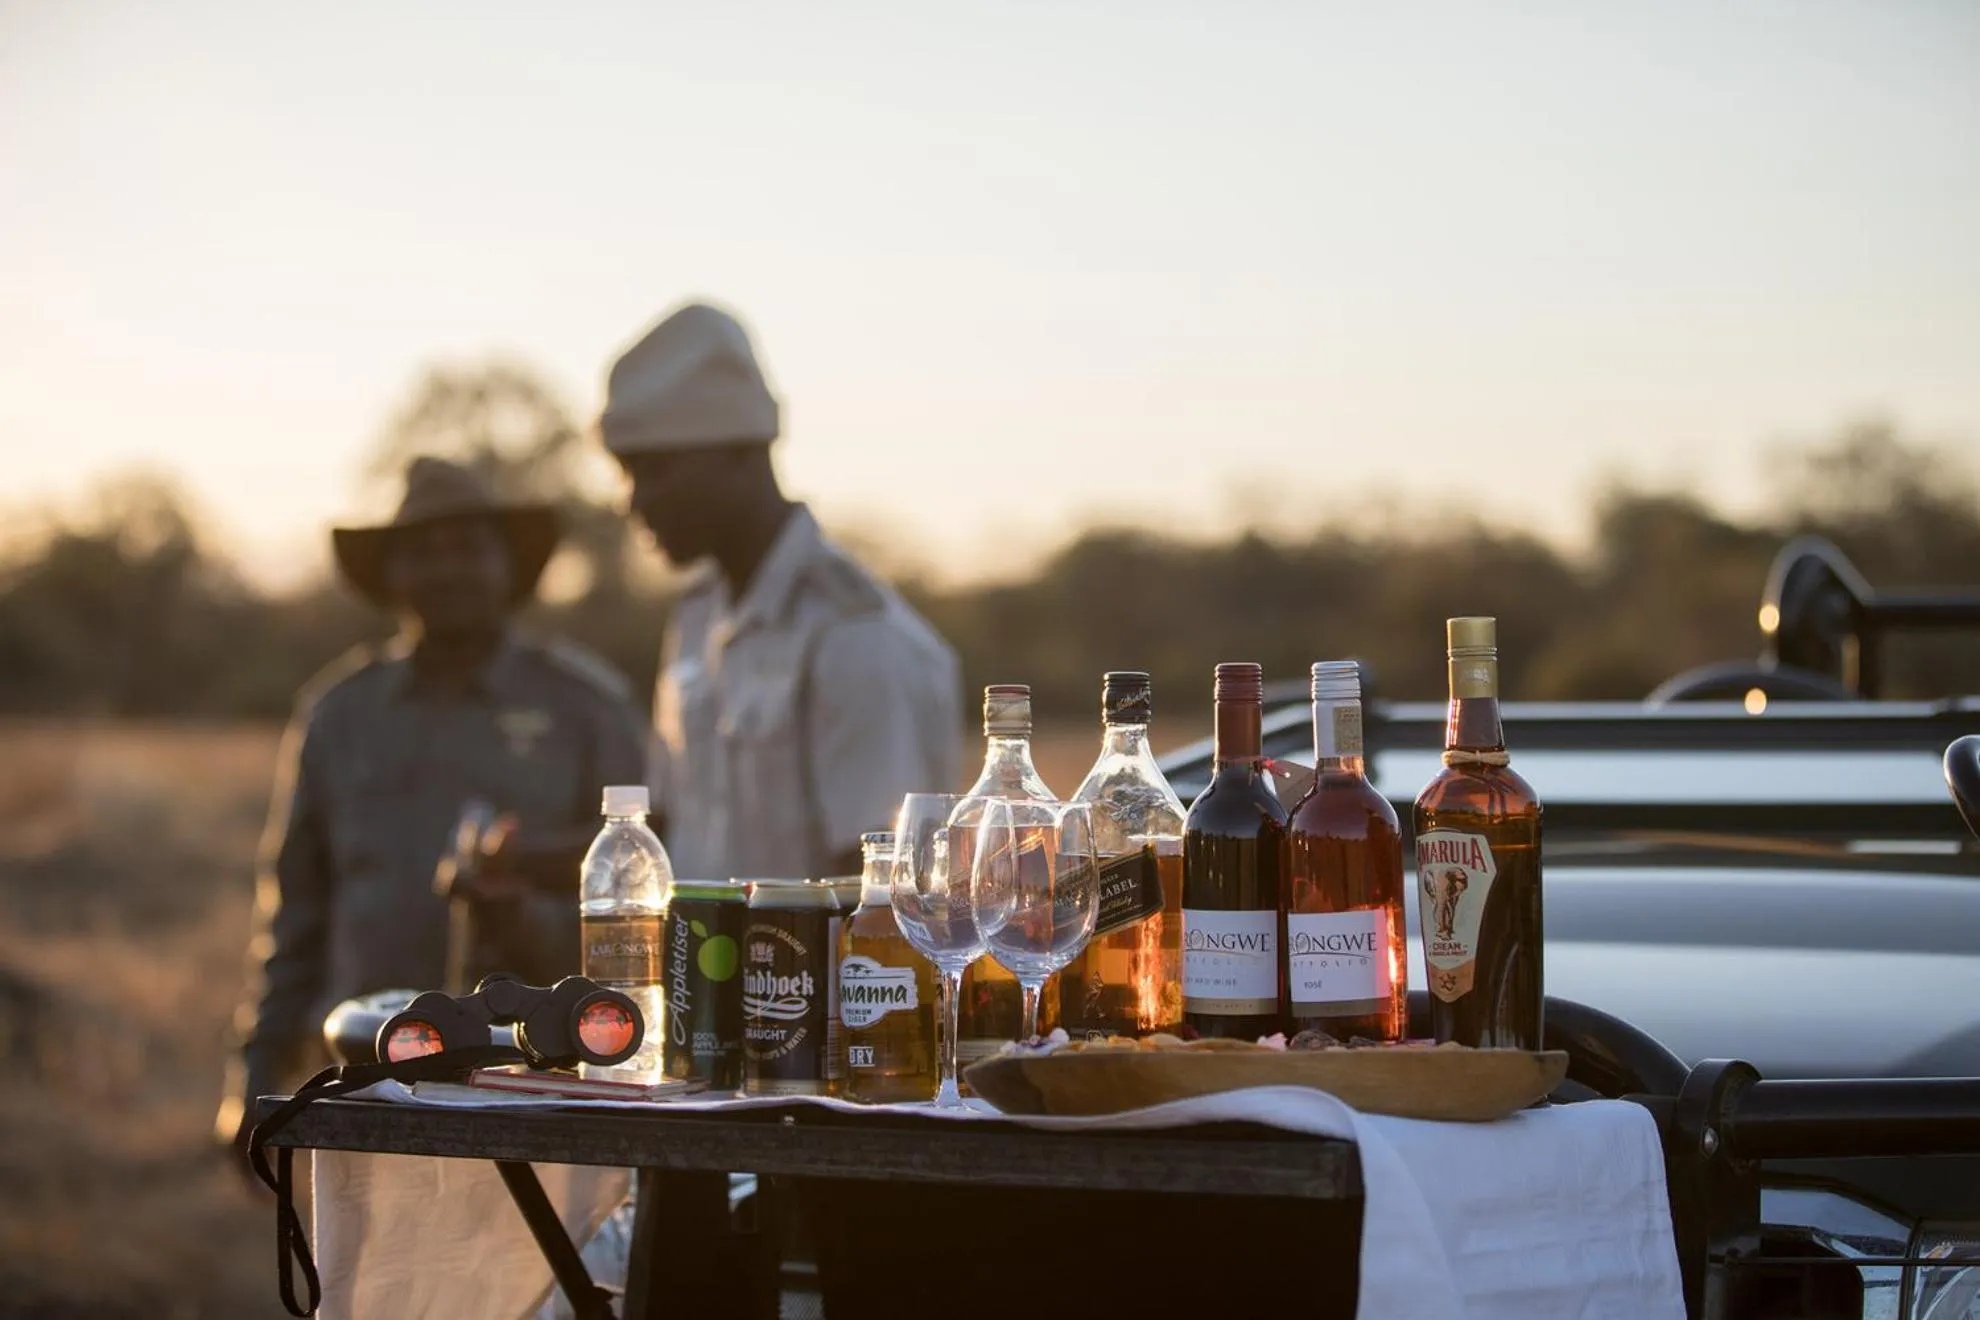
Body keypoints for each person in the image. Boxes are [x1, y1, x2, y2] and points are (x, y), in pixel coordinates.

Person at [217, 456, 649, 1159]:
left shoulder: (586, 707)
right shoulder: (340, 714)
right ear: (392, 574)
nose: (448, 570)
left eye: (470, 548)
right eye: (423, 551)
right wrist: (255, 1073)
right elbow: (295, 908)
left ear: (508, 565)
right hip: (368, 1084)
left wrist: (524, 920)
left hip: (544, 1092)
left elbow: (641, 905)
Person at [598, 301, 962, 881]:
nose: (633, 500)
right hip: (698, 969)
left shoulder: (855, 634)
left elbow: (883, 893)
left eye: (655, 469)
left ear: (743, 451)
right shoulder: (695, 618)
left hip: (809, 973)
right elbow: (665, 832)